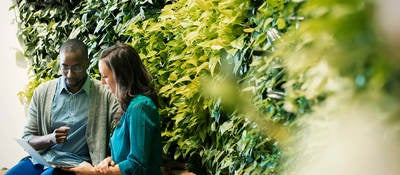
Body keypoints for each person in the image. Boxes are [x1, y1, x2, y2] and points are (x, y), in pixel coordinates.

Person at [6, 39, 119, 175]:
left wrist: (110, 158)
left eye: (76, 67)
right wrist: (51, 138)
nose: (69, 74)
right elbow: (27, 139)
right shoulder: (43, 92)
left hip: (76, 165)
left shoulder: (104, 94)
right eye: (64, 67)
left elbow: (125, 127)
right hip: (43, 159)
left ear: (87, 64)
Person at [64, 43, 162, 175]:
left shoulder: (140, 107)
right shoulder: (129, 106)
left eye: (105, 76)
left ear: (122, 76)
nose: (102, 82)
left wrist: (94, 172)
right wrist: (109, 160)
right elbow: (127, 152)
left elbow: (138, 165)